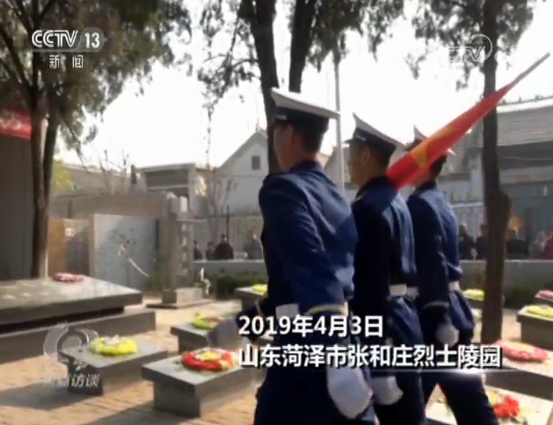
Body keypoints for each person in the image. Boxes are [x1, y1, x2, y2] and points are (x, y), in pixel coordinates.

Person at [207, 88, 375, 425]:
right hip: (340, 339)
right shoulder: (336, 196)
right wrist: (245, 324)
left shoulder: (283, 189)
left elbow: (312, 269)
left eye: (276, 131)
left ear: (291, 135)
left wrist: (335, 353)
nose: (274, 141)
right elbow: (294, 285)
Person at [406, 129, 498, 425]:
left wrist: (439, 316)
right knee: (472, 406)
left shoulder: (419, 205)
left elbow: (433, 262)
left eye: (411, 156)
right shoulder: (439, 201)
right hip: (451, 313)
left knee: (408, 409)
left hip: (433, 320)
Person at [347, 115, 426, 425]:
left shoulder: (366, 208)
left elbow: (370, 288)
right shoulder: (398, 201)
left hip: (384, 336)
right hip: (405, 323)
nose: (348, 161)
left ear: (366, 155)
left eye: (352, 152)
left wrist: (381, 361)